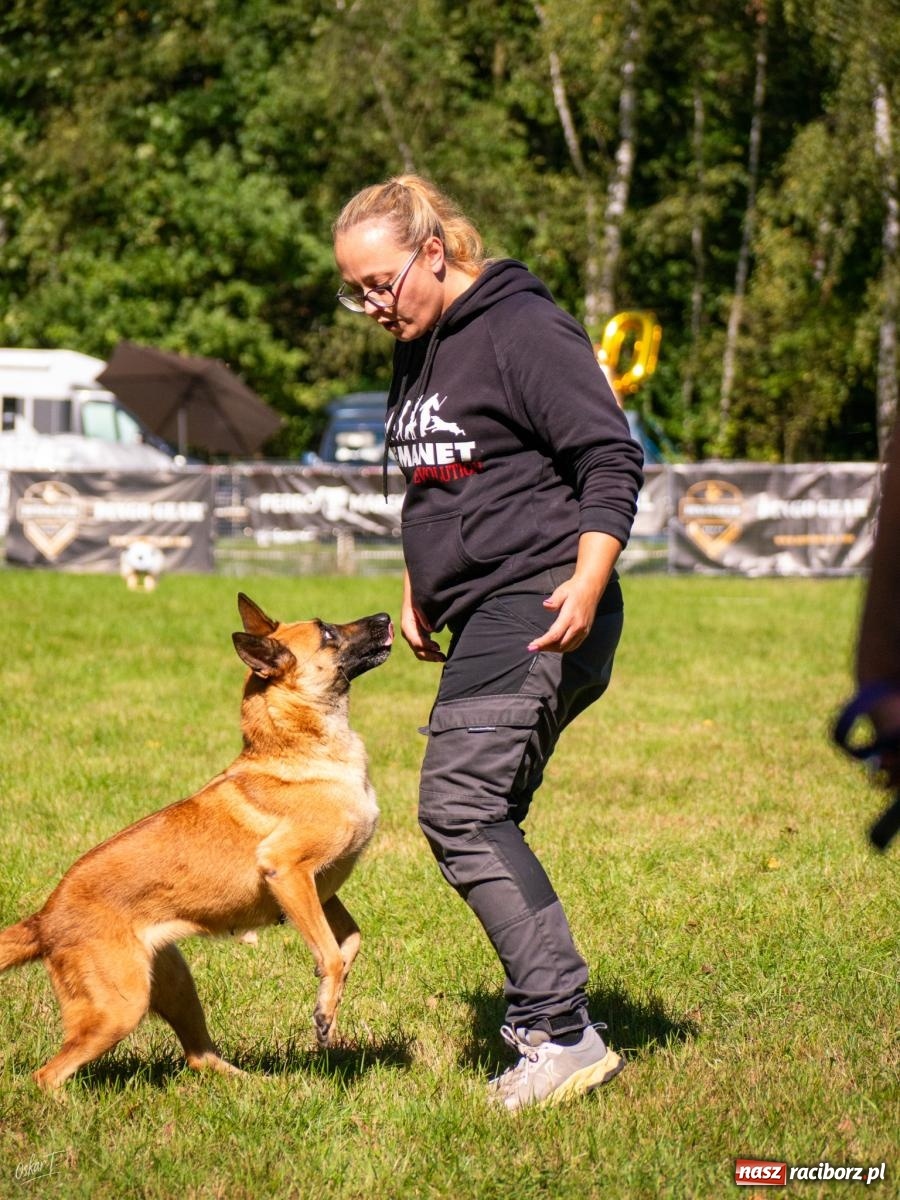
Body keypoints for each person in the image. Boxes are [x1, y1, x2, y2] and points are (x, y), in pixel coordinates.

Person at [333, 175, 644, 1113]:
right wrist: (418, 581)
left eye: (382, 282)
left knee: (461, 807)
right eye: (356, 290)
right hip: (485, 608)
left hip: (542, 598)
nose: (372, 305)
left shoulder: (521, 327)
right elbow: (440, 474)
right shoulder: (418, 339)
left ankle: (562, 1032)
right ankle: (551, 1017)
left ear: (434, 253)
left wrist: (587, 579)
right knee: (484, 808)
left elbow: (609, 456)